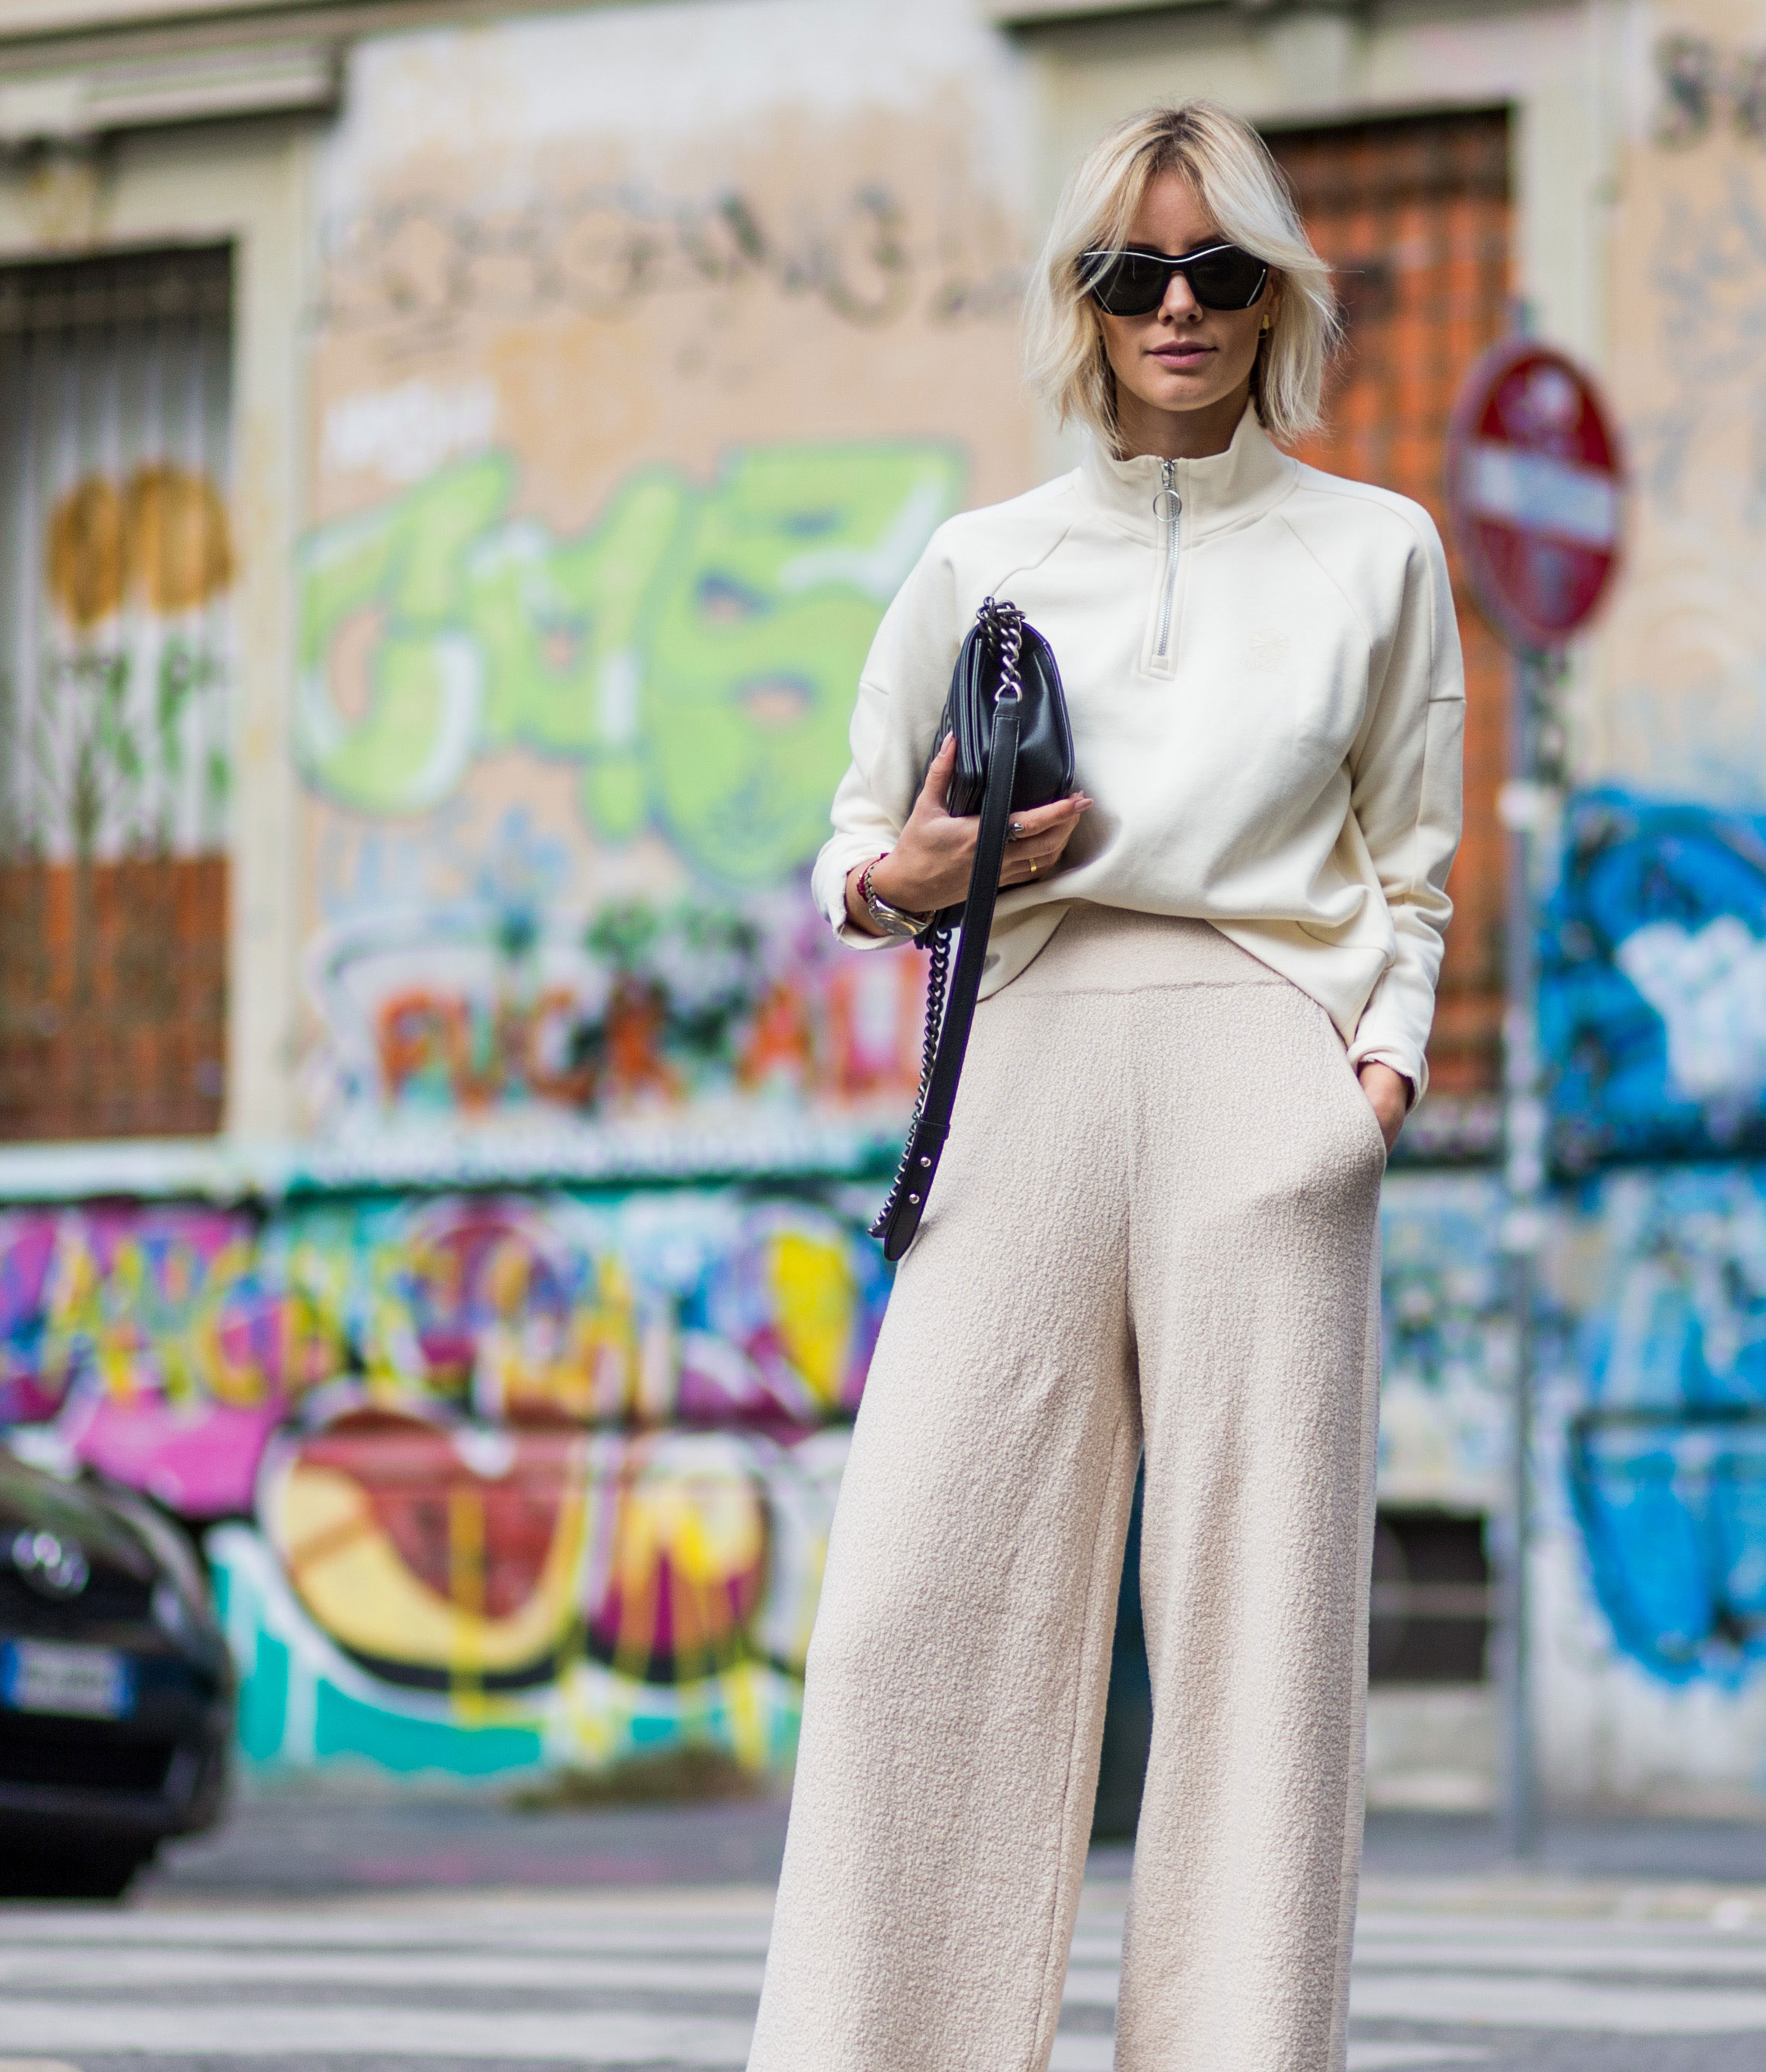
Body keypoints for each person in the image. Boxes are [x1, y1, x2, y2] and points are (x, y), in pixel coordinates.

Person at [746, 100, 1465, 2071]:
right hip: (1027, 1055)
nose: (1177, 304)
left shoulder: (1376, 550)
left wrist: (1372, 1079)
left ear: (1271, 298)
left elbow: (1412, 861)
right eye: (1134, 270)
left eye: (1218, 269)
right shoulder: (985, 557)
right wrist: (904, 878)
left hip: (1267, 1068)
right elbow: (850, 845)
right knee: (915, 1603)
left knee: (1262, 1637)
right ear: (1082, 296)